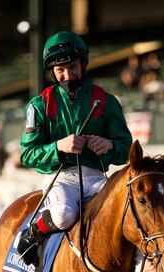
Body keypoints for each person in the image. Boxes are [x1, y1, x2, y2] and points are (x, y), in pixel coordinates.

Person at [17, 31, 132, 259]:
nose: (67, 74)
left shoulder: (107, 101)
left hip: (96, 177)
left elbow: (127, 150)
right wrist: (59, 146)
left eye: (73, 67)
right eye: (60, 70)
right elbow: (28, 154)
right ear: (52, 72)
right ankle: (32, 233)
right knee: (63, 214)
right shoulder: (39, 105)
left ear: (83, 65)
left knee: (127, 212)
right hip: (60, 178)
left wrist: (109, 145)